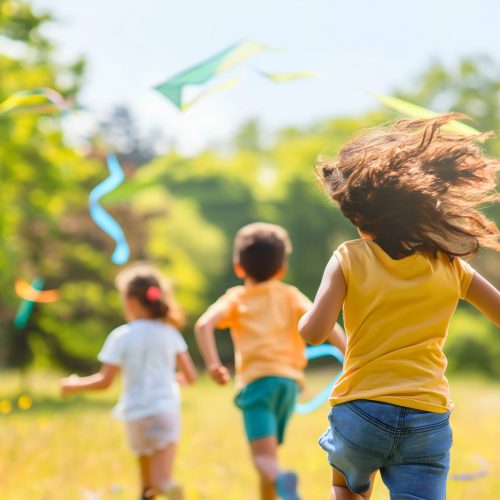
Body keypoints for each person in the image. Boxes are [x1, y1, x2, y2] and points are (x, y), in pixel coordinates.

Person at [299, 114, 500, 500]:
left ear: (361, 219)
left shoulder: (348, 257)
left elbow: (315, 332)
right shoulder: (450, 265)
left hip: (362, 411)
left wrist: (304, 318)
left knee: (346, 487)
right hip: (427, 417)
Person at [195, 222, 346, 500]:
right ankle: (275, 486)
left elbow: (203, 325)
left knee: (264, 458)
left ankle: (281, 479)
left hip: (258, 386)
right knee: (269, 455)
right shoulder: (290, 294)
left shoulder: (236, 297)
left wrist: (214, 364)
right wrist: (350, 354)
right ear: (281, 269)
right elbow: (326, 325)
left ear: (239, 267)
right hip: (288, 387)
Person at [60, 264, 196, 500]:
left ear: (131, 301)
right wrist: (172, 378)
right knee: (163, 480)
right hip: (165, 411)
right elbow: (191, 376)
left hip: (136, 415)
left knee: (147, 486)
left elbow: (104, 381)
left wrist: (72, 385)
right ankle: (172, 491)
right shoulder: (171, 334)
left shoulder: (121, 336)